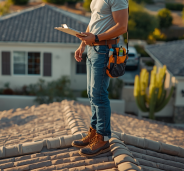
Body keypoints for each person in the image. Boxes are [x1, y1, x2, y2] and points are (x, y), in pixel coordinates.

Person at [71, 0, 128, 157]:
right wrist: (83, 44)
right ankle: (94, 132)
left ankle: (103, 138)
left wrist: (95, 38)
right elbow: (94, 20)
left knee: (99, 95)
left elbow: (122, 26)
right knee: (91, 93)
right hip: (93, 49)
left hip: (105, 50)